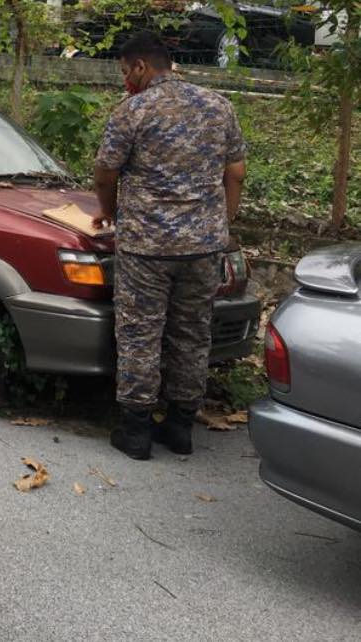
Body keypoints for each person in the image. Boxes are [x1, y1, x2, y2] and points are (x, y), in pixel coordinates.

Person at [93, 32, 246, 460]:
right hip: (204, 246)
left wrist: (110, 213)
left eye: (126, 72)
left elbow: (106, 174)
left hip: (147, 247)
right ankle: (180, 428)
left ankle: (136, 431)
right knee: (193, 334)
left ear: (141, 67)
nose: (125, 80)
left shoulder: (133, 111)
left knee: (140, 333)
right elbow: (235, 173)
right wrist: (222, 221)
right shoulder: (219, 106)